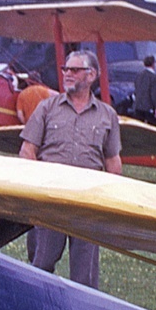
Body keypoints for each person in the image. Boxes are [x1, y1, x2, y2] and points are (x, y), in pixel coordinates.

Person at [18, 50, 122, 290]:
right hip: (49, 201)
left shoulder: (108, 115)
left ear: (92, 75)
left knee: (85, 277)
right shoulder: (46, 107)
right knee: (41, 265)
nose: (67, 75)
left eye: (75, 70)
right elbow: (27, 151)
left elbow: (113, 163)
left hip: (86, 205)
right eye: (65, 70)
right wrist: (34, 192)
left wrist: (107, 203)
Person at [134, 56, 156, 123]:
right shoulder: (153, 77)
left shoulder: (138, 75)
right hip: (149, 107)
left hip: (138, 106)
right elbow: (154, 93)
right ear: (153, 64)